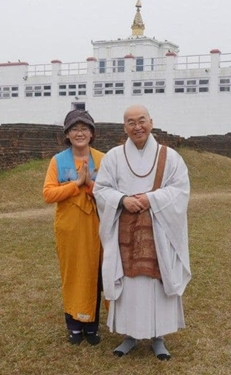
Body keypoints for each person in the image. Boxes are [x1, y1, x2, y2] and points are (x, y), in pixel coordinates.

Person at [93, 105, 191, 360]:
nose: (137, 127)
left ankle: (159, 337)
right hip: (125, 233)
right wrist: (123, 200)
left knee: (156, 283)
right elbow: (101, 190)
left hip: (159, 232)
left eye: (141, 121)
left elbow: (180, 189)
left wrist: (151, 199)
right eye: (130, 122)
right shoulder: (113, 157)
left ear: (151, 122)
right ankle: (129, 335)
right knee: (130, 283)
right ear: (124, 127)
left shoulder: (169, 157)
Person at [42, 109, 105, 346]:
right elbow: (48, 194)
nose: (80, 133)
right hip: (69, 228)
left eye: (84, 128)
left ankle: (91, 325)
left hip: (96, 226)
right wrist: (76, 183)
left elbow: (110, 193)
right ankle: (74, 325)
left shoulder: (102, 159)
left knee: (93, 274)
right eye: (74, 129)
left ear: (91, 133)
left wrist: (89, 184)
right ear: (67, 134)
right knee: (73, 274)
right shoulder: (58, 161)